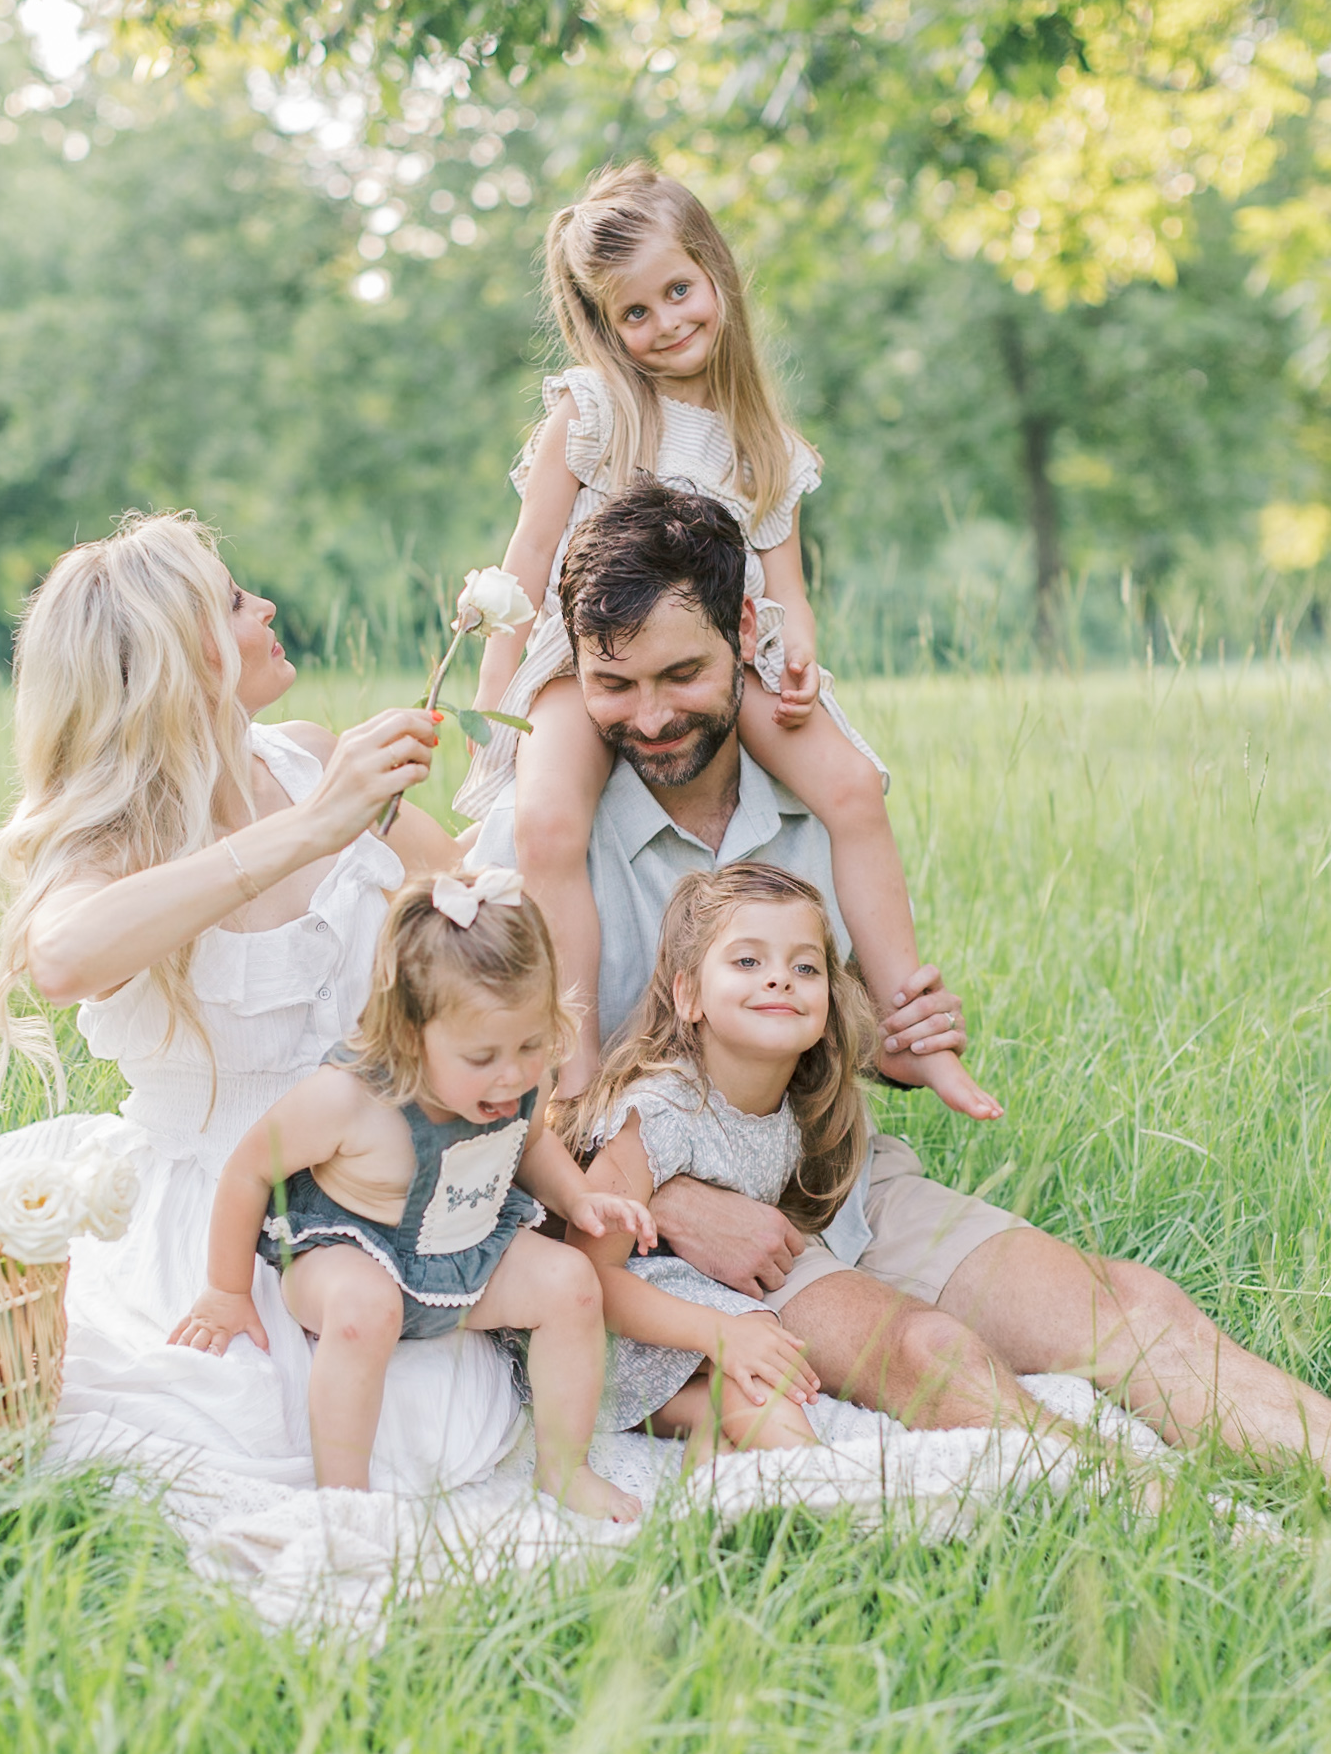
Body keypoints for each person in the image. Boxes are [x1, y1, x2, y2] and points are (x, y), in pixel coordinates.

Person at [470, 484, 1331, 1471]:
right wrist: (667, 1202)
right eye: (614, 685)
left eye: (683, 674)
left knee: (1128, 1306)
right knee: (929, 1356)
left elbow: (807, 1020)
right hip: (659, 1235)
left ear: (746, 634)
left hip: (833, 1180)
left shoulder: (813, 807)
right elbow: (479, 1098)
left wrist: (889, 1041)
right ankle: (1162, 1523)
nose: (653, 717)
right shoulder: (539, 846)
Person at [0, 509, 526, 1498]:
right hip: (216, 1221)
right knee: (238, 1434)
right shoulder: (114, 841)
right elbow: (59, 961)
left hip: (370, 1199)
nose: (266, 606)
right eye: (234, 602)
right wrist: (313, 830)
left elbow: (479, 911)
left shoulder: (311, 757)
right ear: (173, 662)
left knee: (447, 1423)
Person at [453, 160, 998, 1122]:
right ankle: (570, 1061)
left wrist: (795, 667)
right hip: (590, 664)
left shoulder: (763, 443)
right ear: (602, 326)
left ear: (716, 274)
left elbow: (784, 588)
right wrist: (497, 704)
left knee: (852, 788)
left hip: (725, 652)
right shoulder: (593, 415)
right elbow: (527, 559)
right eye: (634, 313)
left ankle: (915, 1030)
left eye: (678, 290)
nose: (665, 323)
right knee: (544, 823)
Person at [170, 870, 652, 1520]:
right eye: (481, 1056)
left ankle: (565, 1467)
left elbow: (531, 1143)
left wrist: (578, 1197)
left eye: (530, 1045)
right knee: (362, 1306)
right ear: (408, 1034)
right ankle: (345, 1502)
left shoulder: (518, 1081)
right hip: (353, 1246)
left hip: (465, 1246)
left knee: (571, 1282)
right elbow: (248, 1170)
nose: (511, 1073)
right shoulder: (350, 1100)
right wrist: (226, 1289)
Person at [568, 863, 872, 1462]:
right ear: (688, 995)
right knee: (762, 1390)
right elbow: (583, 1277)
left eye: (804, 967)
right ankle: (819, 1492)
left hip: (686, 1336)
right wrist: (719, 1333)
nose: (781, 981)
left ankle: (748, 1511)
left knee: (750, 1397)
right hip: (599, 1340)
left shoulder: (790, 1110)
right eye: (747, 962)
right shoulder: (656, 1113)